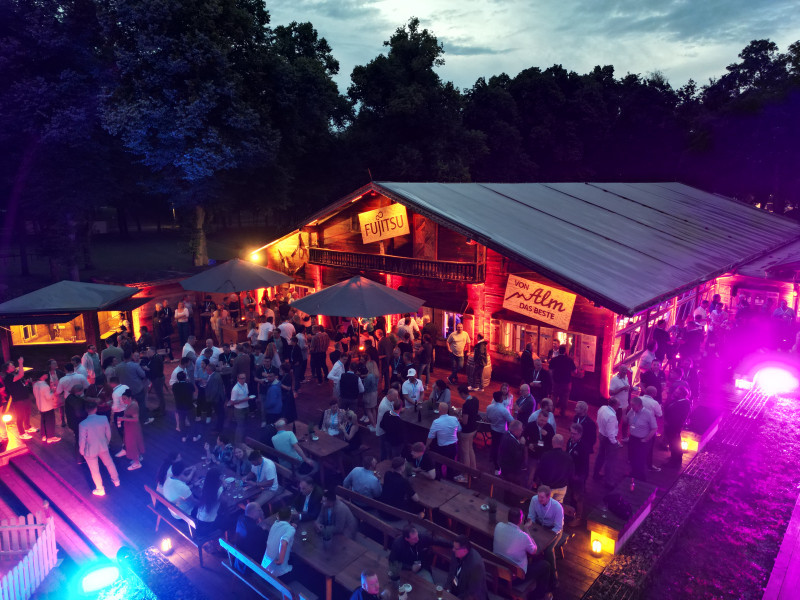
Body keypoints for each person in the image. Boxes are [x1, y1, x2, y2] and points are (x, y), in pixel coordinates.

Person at [494, 508, 550, 592]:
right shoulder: (523, 536)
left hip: (497, 570)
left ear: (508, 517)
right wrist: (526, 528)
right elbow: (534, 550)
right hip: (514, 578)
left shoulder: (498, 526)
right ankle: (539, 594)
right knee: (545, 565)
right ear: (520, 520)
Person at [79, 401, 120, 496]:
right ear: (96, 408)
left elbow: (82, 440)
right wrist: (106, 442)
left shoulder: (83, 424)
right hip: (103, 446)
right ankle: (116, 480)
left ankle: (100, 489)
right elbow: (108, 433)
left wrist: (81, 451)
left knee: (95, 471)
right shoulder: (103, 418)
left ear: (86, 410)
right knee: (109, 464)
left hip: (90, 450)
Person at [527, 486, 563, 588]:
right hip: (539, 526)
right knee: (529, 541)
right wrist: (530, 528)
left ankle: (554, 577)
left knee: (548, 550)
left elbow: (558, 527)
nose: (539, 499)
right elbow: (531, 516)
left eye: (542, 497)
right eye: (538, 496)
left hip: (553, 531)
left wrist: (547, 538)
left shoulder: (557, 507)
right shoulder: (534, 500)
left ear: (548, 497)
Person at [534, 434, 573, 503]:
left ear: (552, 442)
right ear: (562, 443)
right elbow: (571, 473)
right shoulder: (568, 457)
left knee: (544, 506)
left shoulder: (546, 455)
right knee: (556, 507)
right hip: (561, 487)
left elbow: (540, 470)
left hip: (547, 486)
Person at [446, 535, 488, 600]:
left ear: (464, 551)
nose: (453, 550)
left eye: (455, 548)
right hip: (457, 588)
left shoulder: (476, 565)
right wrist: (447, 589)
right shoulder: (456, 553)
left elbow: (472, 593)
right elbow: (451, 572)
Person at [626, 396, 657, 481]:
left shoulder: (648, 414)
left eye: (633, 406)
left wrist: (646, 439)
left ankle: (641, 478)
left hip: (642, 440)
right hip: (632, 438)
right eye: (631, 405)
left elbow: (654, 428)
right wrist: (623, 411)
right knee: (632, 458)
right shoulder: (632, 411)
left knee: (640, 459)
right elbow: (627, 419)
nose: (632, 407)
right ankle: (633, 473)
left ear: (639, 405)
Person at [593, 397, 622, 487]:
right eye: (618, 404)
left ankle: (595, 474)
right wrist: (615, 443)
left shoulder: (602, 408)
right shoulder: (612, 416)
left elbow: (598, 420)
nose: (619, 406)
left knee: (600, 456)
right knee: (611, 460)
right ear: (614, 405)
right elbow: (610, 434)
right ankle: (609, 482)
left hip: (601, 435)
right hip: (608, 439)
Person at [3, 360, 35, 438]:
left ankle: (27, 427)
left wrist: (26, 382)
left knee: (27, 413)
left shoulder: (14, 374)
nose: (13, 366)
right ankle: (22, 433)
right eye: (11, 365)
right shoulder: (8, 377)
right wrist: (20, 363)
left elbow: (20, 383)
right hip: (18, 399)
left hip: (24, 397)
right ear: (7, 369)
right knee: (20, 416)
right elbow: (21, 374)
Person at [663, 386, 691, 468]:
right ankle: (674, 458)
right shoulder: (677, 401)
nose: (674, 393)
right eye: (675, 391)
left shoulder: (684, 404)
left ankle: (675, 461)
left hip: (674, 427)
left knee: (674, 444)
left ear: (681, 394)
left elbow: (679, 417)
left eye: (677, 392)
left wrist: (670, 423)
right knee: (673, 443)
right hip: (671, 426)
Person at [487, 390, 514, 475]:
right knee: (500, 449)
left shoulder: (489, 407)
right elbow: (511, 420)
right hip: (501, 431)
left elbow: (488, 418)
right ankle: (498, 466)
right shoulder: (503, 410)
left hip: (493, 429)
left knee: (494, 446)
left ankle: (494, 462)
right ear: (501, 398)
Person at [262, 507, 296, 577]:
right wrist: (280, 561)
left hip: (264, 568)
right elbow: (283, 542)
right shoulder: (290, 529)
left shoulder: (275, 524)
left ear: (278, 517)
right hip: (278, 574)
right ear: (290, 517)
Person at [118, 391, 145, 470]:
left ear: (130, 398)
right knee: (135, 443)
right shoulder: (132, 404)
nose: (123, 400)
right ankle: (138, 458)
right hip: (132, 428)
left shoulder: (133, 406)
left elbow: (135, 419)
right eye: (122, 399)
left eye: (125, 399)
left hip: (132, 428)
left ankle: (137, 463)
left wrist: (123, 418)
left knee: (132, 445)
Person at [639, 386, 663, 472]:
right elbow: (660, 414)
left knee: (637, 445)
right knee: (649, 447)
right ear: (653, 394)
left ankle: (632, 461)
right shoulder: (655, 403)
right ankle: (648, 465)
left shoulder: (638, 399)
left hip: (638, 425)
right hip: (649, 427)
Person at [548, 345, 576, 416]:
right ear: (565, 352)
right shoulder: (569, 360)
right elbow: (575, 371)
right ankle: (563, 412)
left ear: (558, 351)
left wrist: (552, 379)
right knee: (565, 397)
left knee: (554, 396)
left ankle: (552, 411)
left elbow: (550, 371)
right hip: (566, 382)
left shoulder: (554, 359)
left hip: (556, 381)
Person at [172, 371, 199, 443]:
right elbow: (193, 392)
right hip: (189, 406)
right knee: (192, 421)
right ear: (185, 377)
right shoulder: (189, 385)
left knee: (182, 421)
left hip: (179, 407)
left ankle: (183, 436)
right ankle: (194, 437)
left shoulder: (174, 386)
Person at [498, 420, 527, 486]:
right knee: (512, 487)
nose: (522, 430)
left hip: (505, 467)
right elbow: (518, 457)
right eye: (521, 429)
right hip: (511, 471)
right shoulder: (511, 441)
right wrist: (522, 445)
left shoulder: (506, 434)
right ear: (515, 431)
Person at [196, 467, 224, 535]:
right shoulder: (219, 490)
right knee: (229, 517)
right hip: (209, 524)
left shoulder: (205, 487)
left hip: (199, 520)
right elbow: (224, 502)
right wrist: (223, 485)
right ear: (218, 479)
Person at [457, 384, 479, 472]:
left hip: (466, 431)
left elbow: (465, 422)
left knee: (465, 453)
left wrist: (459, 417)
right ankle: (473, 471)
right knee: (470, 449)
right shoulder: (475, 399)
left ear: (462, 393)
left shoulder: (466, 404)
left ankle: (465, 475)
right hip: (474, 428)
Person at [33, 373, 59, 443]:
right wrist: (52, 391)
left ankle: (44, 436)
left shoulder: (35, 384)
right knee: (50, 422)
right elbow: (48, 397)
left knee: (43, 421)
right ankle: (50, 437)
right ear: (42, 375)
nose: (47, 375)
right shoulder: (45, 386)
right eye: (46, 374)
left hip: (40, 406)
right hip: (48, 406)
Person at [609, 365, 631, 440]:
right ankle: (613, 439)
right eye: (623, 370)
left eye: (626, 370)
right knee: (616, 423)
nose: (625, 372)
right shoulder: (614, 379)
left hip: (625, 404)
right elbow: (610, 393)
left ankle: (624, 437)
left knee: (625, 421)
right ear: (619, 370)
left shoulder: (626, 378)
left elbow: (626, 390)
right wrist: (622, 388)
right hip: (617, 406)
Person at [229, 372, 251, 443]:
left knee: (246, 424)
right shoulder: (235, 389)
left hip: (246, 407)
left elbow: (246, 394)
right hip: (239, 410)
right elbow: (232, 402)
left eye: (244, 378)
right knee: (240, 426)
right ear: (238, 379)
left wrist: (248, 398)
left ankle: (244, 440)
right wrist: (244, 399)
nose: (243, 380)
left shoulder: (246, 385)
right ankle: (238, 442)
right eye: (241, 378)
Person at [362, 360, 380, 430]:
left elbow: (365, 387)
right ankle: (374, 423)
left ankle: (373, 425)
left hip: (369, 394)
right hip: (375, 393)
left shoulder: (369, 376)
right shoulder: (376, 375)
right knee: (373, 409)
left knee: (368, 410)